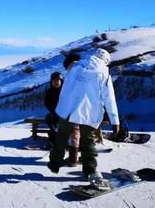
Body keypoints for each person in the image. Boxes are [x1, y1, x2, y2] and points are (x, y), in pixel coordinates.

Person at [48, 48, 120, 190]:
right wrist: (115, 121)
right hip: (89, 113)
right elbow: (109, 98)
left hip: (67, 110)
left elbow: (66, 87)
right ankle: (89, 169)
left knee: (61, 138)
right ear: (106, 60)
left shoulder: (75, 65)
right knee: (88, 142)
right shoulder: (103, 73)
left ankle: (55, 164)